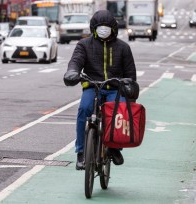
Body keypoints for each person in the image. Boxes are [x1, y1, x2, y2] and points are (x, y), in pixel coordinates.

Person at [63, 10, 137, 170]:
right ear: (93, 28)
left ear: (114, 28)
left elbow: (130, 74)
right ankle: (81, 153)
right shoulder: (84, 45)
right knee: (84, 109)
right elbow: (75, 62)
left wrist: (129, 88)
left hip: (114, 90)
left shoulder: (123, 48)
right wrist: (72, 73)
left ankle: (114, 148)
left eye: (107, 26)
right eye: (100, 26)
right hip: (92, 87)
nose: (103, 29)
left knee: (118, 113)